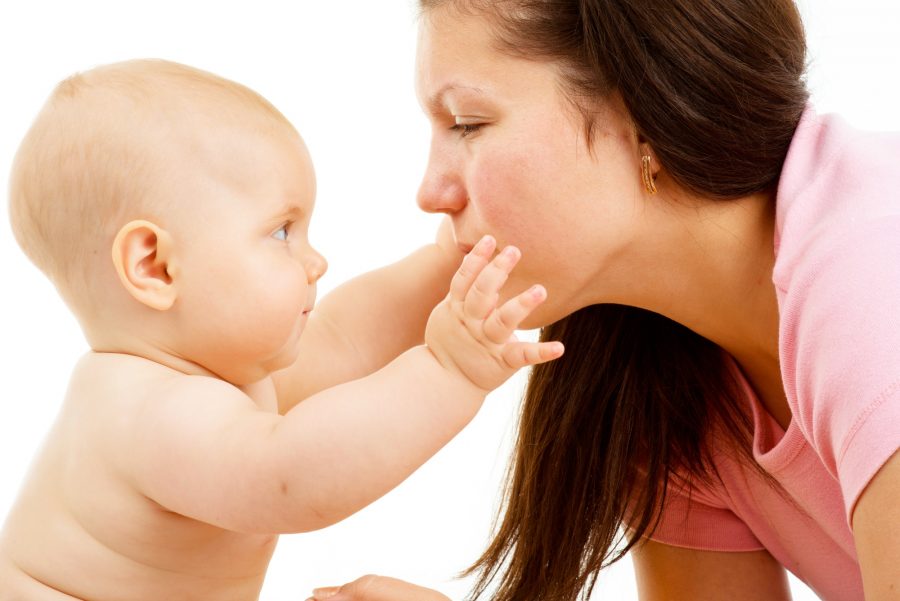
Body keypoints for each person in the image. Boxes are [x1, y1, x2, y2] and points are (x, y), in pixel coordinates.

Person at [310, 1, 900, 600]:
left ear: (652, 108)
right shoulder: (660, 377)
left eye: (468, 123)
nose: (431, 192)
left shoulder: (874, 273)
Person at [0, 58, 564, 599]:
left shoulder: (214, 377)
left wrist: (448, 261)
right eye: (281, 232)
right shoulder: (142, 411)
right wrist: (449, 371)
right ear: (155, 266)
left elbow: (348, 337)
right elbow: (290, 479)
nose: (315, 261)